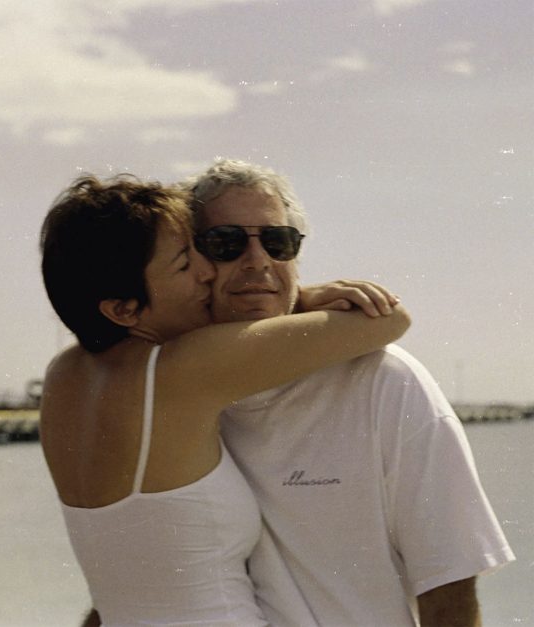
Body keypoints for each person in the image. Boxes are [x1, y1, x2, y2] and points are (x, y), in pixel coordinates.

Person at [39, 174, 410, 626]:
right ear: (122, 310)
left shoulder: (63, 377)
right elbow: (387, 321)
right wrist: (299, 298)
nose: (207, 272)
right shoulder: (181, 368)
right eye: (183, 264)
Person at [187, 159, 515, 626]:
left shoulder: (387, 383)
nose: (258, 260)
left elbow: (449, 589)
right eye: (226, 243)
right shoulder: (169, 394)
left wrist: (291, 301)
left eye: (278, 243)